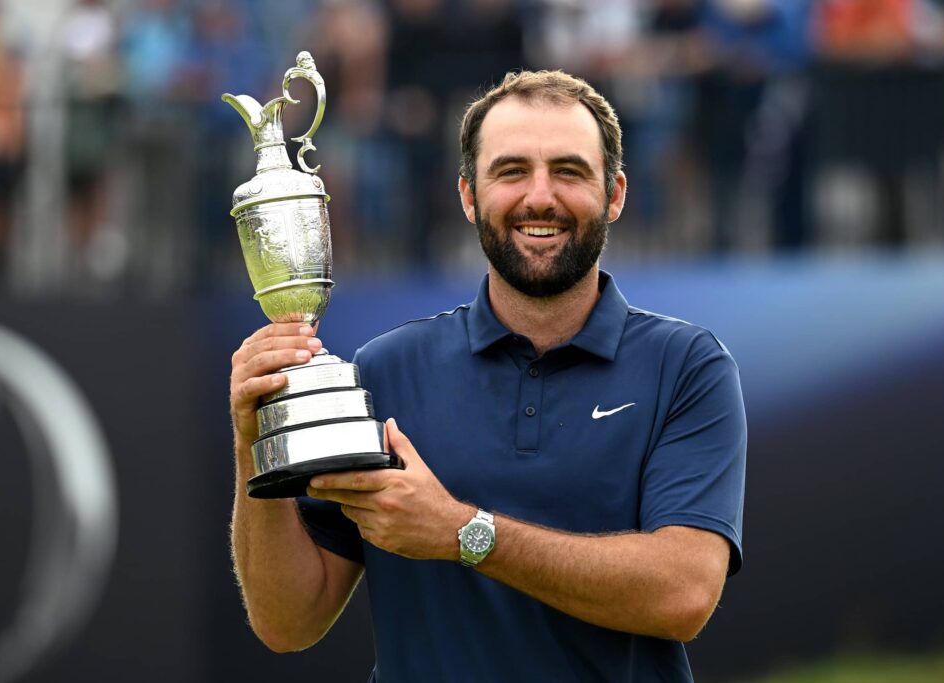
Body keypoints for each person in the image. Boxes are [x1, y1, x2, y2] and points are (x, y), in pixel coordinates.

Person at [229, 70, 747, 682]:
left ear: (615, 194)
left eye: (569, 171)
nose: (540, 196)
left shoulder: (687, 367)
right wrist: (252, 439)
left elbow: (682, 594)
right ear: (469, 195)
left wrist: (462, 532)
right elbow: (288, 623)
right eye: (511, 171)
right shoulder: (385, 370)